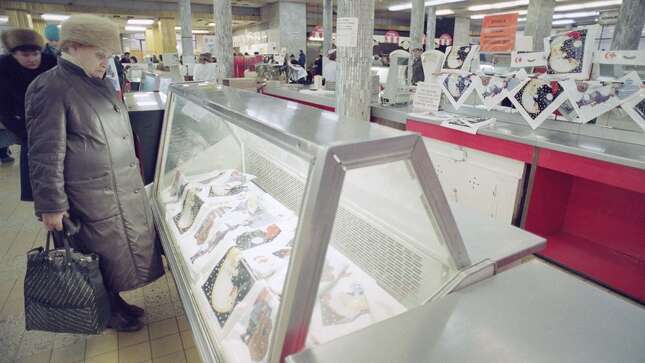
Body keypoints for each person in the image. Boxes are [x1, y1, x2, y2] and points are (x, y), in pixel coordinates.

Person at [26, 14, 164, 332]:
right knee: (92, 257)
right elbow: (45, 153)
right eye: (100, 54)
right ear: (73, 47)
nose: (106, 62)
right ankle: (106, 313)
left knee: (109, 256)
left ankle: (115, 304)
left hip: (111, 191)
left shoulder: (93, 82)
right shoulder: (50, 88)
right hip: (86, 196)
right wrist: (50, 206)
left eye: (109, 55)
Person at [0, 29, 57, 201]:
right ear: (14, 54)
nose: (32, 59)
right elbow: (4, 111)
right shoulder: (4, 71)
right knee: (38, 182)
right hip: (28, 130)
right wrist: (25, 133)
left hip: (57, 123)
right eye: (25, 55)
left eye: (35, 53)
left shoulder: (51, 63)